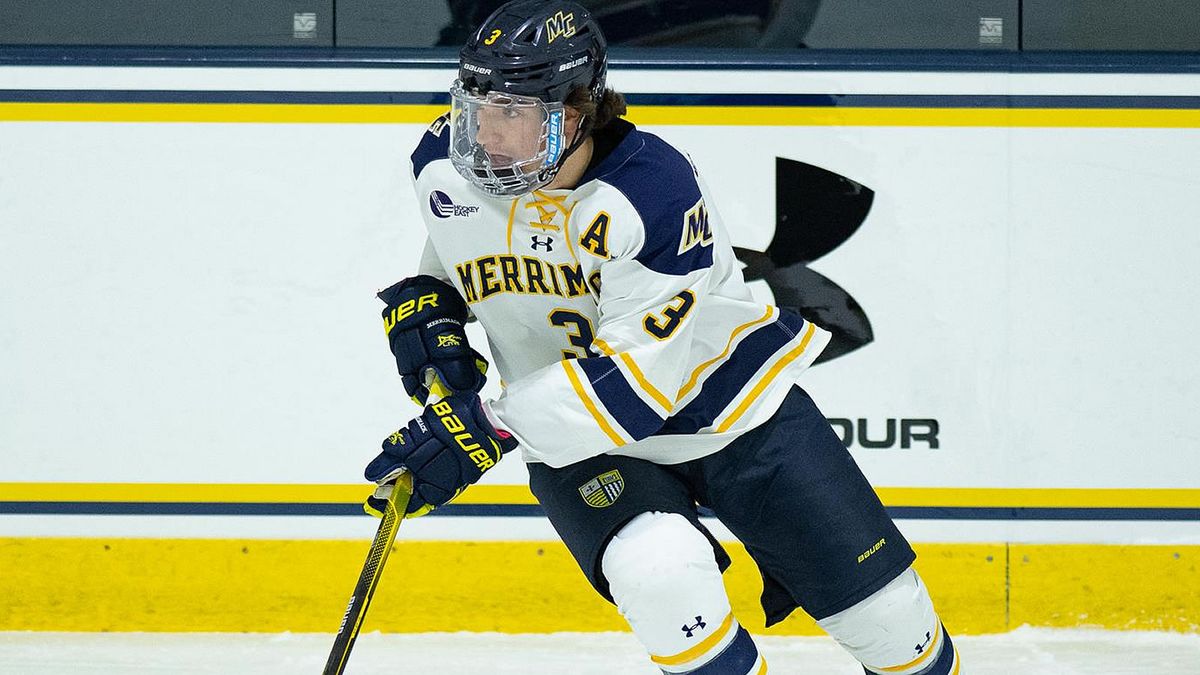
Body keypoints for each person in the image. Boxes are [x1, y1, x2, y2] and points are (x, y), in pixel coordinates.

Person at [364, 2, 961, 673]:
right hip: (577, 441)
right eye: (477, 108)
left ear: (575, 111)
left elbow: (634, 388)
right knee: (660, 574)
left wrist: (488, 426)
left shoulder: (652, 193)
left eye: (513, 114)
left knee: (893, 627)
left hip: (733, 414)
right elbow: (461, 235)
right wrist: (432, 301)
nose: (486, 137)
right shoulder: (441, 161)